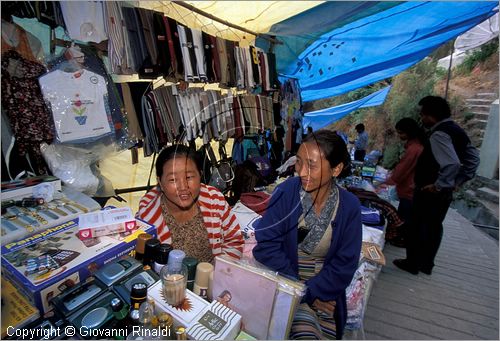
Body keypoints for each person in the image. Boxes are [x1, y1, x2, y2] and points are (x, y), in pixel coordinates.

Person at [253, 130, 362, 340]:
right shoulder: (286, 192)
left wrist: (310, 292)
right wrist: (300, 291)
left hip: (325, 291)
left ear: (336, 169)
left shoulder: (349, 207)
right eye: (299, 162)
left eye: (311, 165)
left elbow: (345, 264)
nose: (301, 172)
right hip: (285, 282)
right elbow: (266, 245)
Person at [394, 96, 479, 275]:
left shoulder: (439, 133)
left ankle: (412, 263)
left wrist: (439, 185)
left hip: (429, 190)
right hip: (443, 193)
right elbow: (473, 159)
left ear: (431, 115)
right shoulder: (457, 131)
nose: (421, 119)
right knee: (433, 227)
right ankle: (426, 264)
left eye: (423, 115)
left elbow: (452, 163)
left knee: (417, 226)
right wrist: (458, 182)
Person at [137, 145, 244, 262]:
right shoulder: (145, 220)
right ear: (160, 183)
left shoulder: (215, 200)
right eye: (173, 179)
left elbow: (234, 240)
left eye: (189, 177)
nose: (183, 187)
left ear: (200, 175)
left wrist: (218, 273)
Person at [382, 118, 425, 246]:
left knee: (404, 216)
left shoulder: (414, 149)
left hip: (409, 189)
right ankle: (402, 237)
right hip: (409, 188)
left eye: (401, 133)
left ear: (409, 132)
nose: (400, 136)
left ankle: (402, 239)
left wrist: (388, 181)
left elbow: (403, 169)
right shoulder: (415, 146)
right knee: (405, 214)